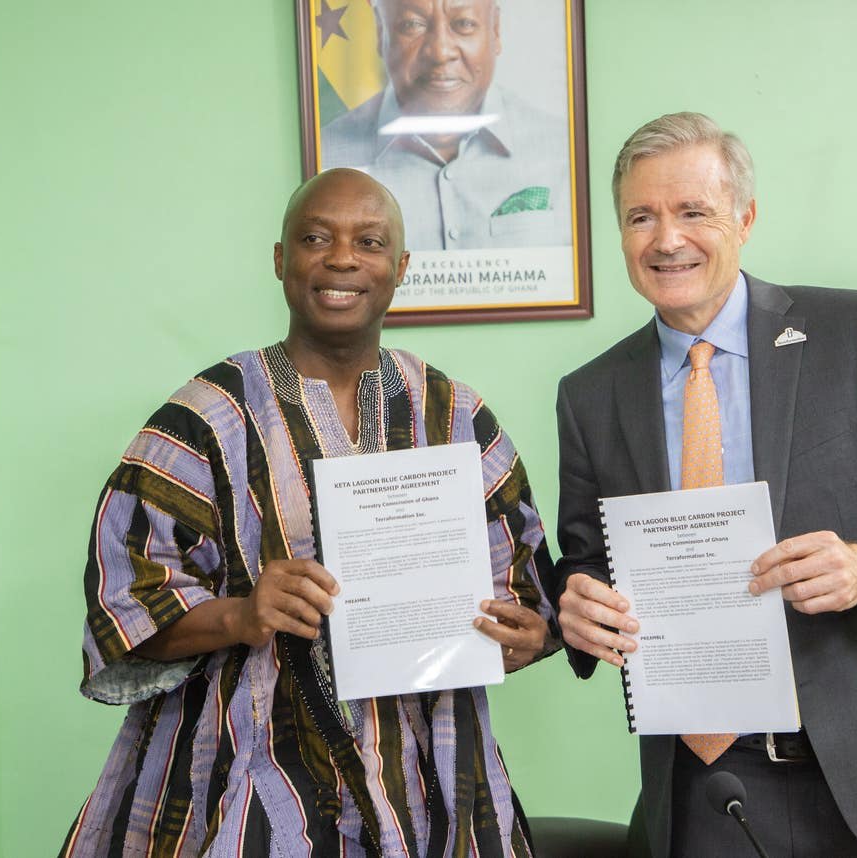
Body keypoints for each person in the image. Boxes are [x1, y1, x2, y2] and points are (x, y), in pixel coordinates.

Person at [550, 113, 857, 857]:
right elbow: (585, 560)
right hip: (710, 785)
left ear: (746, 218)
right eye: (642, 217)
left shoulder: (855, 328)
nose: (667, 239)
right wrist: (576, 606)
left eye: (693, 211)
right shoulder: (590, 394)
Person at [60, 168, 554, 857]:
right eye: (316, 237)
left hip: (436, 785)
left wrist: (527, 636)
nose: (343, 258)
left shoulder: (456, 416)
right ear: (280, 260)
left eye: (370, 242)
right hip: (241, 779)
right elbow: (123, 607)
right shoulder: (206, 418)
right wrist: (241, 614)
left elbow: (527, 595)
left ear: (401, 267)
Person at [321, 0, 571, 251]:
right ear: (380, 31)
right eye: (412, 25)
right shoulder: (328, 156)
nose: (440, 52)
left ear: (495, 29)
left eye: (463, 24)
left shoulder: (562, 149)